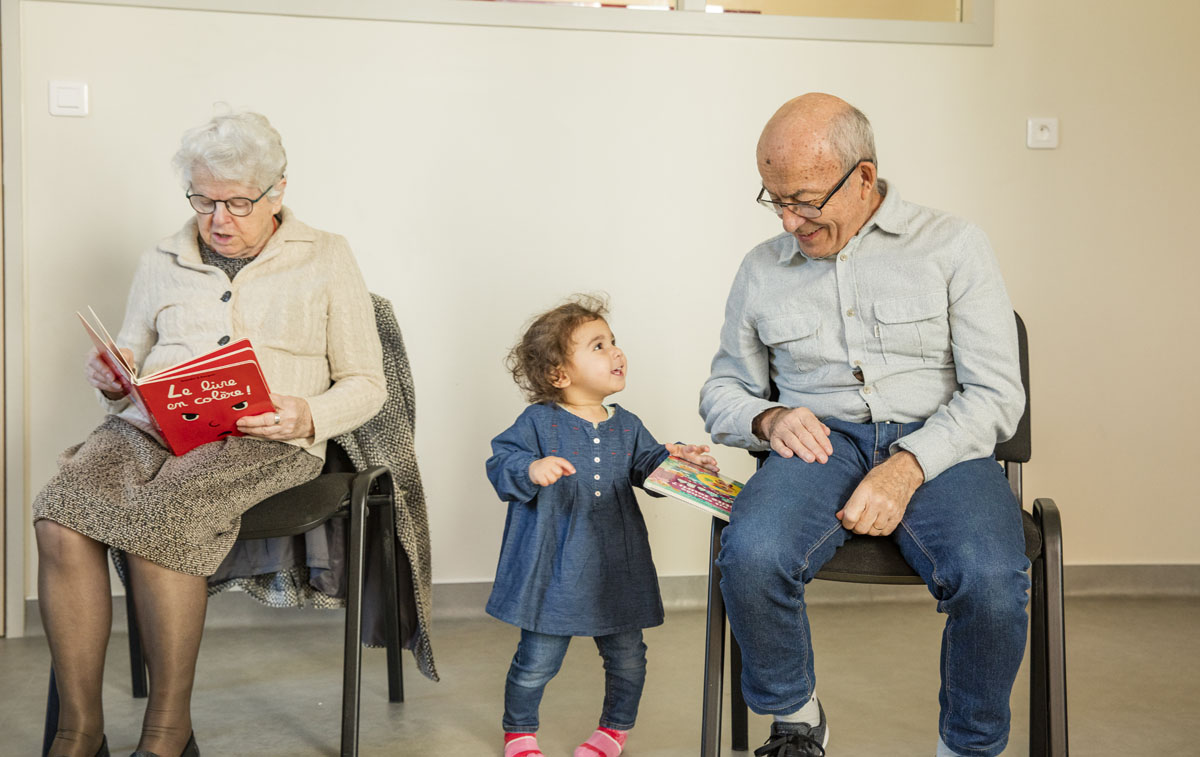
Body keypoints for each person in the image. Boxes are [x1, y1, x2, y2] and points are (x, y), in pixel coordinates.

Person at [33, 111, 386, 757]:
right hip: (152, 426)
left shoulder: (326, 254)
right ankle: (76, 731)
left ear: (277, 191)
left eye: (237, 202)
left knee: (161, 516)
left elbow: (368, 382)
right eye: (203, 200)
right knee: (58, 514)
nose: (218, 219)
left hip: (263, 435)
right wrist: (112, 377)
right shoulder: (160, 257)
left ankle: (168, 734)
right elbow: (131, 354)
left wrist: (304, 414)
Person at [699, 93, 1029, 757]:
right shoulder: (761, 269)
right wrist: (767, 416)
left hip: (943, 444)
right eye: (775, 199)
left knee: (993, 579)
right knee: (751, 554)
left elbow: (996, 394)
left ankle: (968, 746)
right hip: (820, 445)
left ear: (865, 178)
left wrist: (907, 466)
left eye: (806, 198)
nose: (790, 219)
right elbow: (722, 389)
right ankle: (796, 721)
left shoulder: (955, 245)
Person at [486, 295, 717, 757]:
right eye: (597, 345)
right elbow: (501, 462)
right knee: (536, 661)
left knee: (628, 659)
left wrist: (681, 464)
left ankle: (613, 730)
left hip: (617, 566)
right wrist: (531, 470)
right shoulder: (538, 421)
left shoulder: (627, 424)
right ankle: (520, 733)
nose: (615, 352)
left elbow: (649, 468)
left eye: (613, 341)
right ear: (559, 374)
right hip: (554, 567)